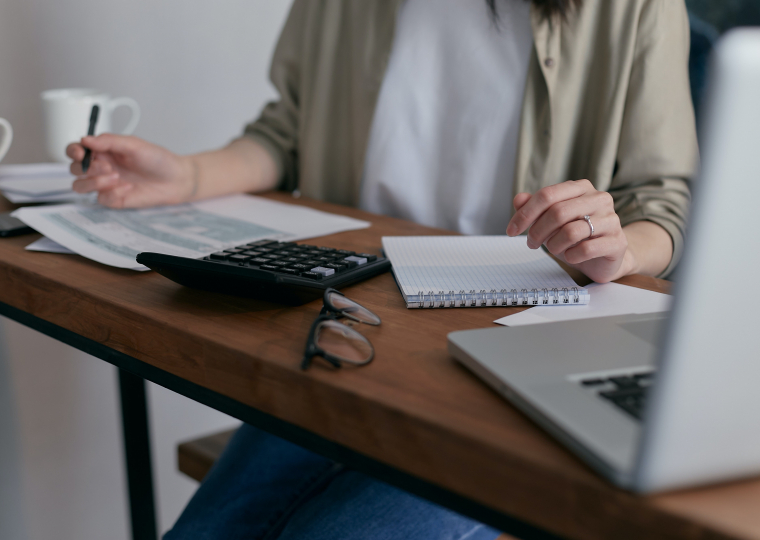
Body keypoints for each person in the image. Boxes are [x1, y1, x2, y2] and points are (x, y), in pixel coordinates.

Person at [67, 0, 698, 538]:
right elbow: (287, 133)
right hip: (348, 330)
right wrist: (190, 175)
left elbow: (661, 201)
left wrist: (617, 249)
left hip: (518, 350)